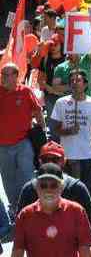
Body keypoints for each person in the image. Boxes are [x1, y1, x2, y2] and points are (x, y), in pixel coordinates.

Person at [12, 163, 91, 257]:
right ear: (36, 188)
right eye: (43, 186)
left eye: (54, 185)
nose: (48, 190)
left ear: (61, 188)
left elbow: (85, 250)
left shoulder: (77, 211)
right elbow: (17, 251)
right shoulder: (25, 215)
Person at [0, 62, 45, 215]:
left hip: (23, 142)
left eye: (6, 75)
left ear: (16, 76)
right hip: (2, 146)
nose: (3, 78)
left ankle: (32, 208)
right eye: (2, 75)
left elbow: (38, 112)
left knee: (27, 176)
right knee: (8, 180)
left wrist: (42, 132)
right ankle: (15, 210)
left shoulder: (25, 91)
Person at [50, 70, 91, 197]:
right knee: (68, 195)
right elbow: (55, 129)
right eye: (72, 81)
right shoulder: (61, 103)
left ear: (85, 84)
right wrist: (68, 131)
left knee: (86, 194)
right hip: (67, 157)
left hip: (86, 156)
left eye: (78, 80)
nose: (75, 83)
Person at [17, 141, 91, 226]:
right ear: (40, 162)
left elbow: (89, 222)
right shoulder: (29, 189)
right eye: (45, 160)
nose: (50, 163)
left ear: (64, 161)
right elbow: (20, 223)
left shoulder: (77, 189)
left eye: (55, 159)